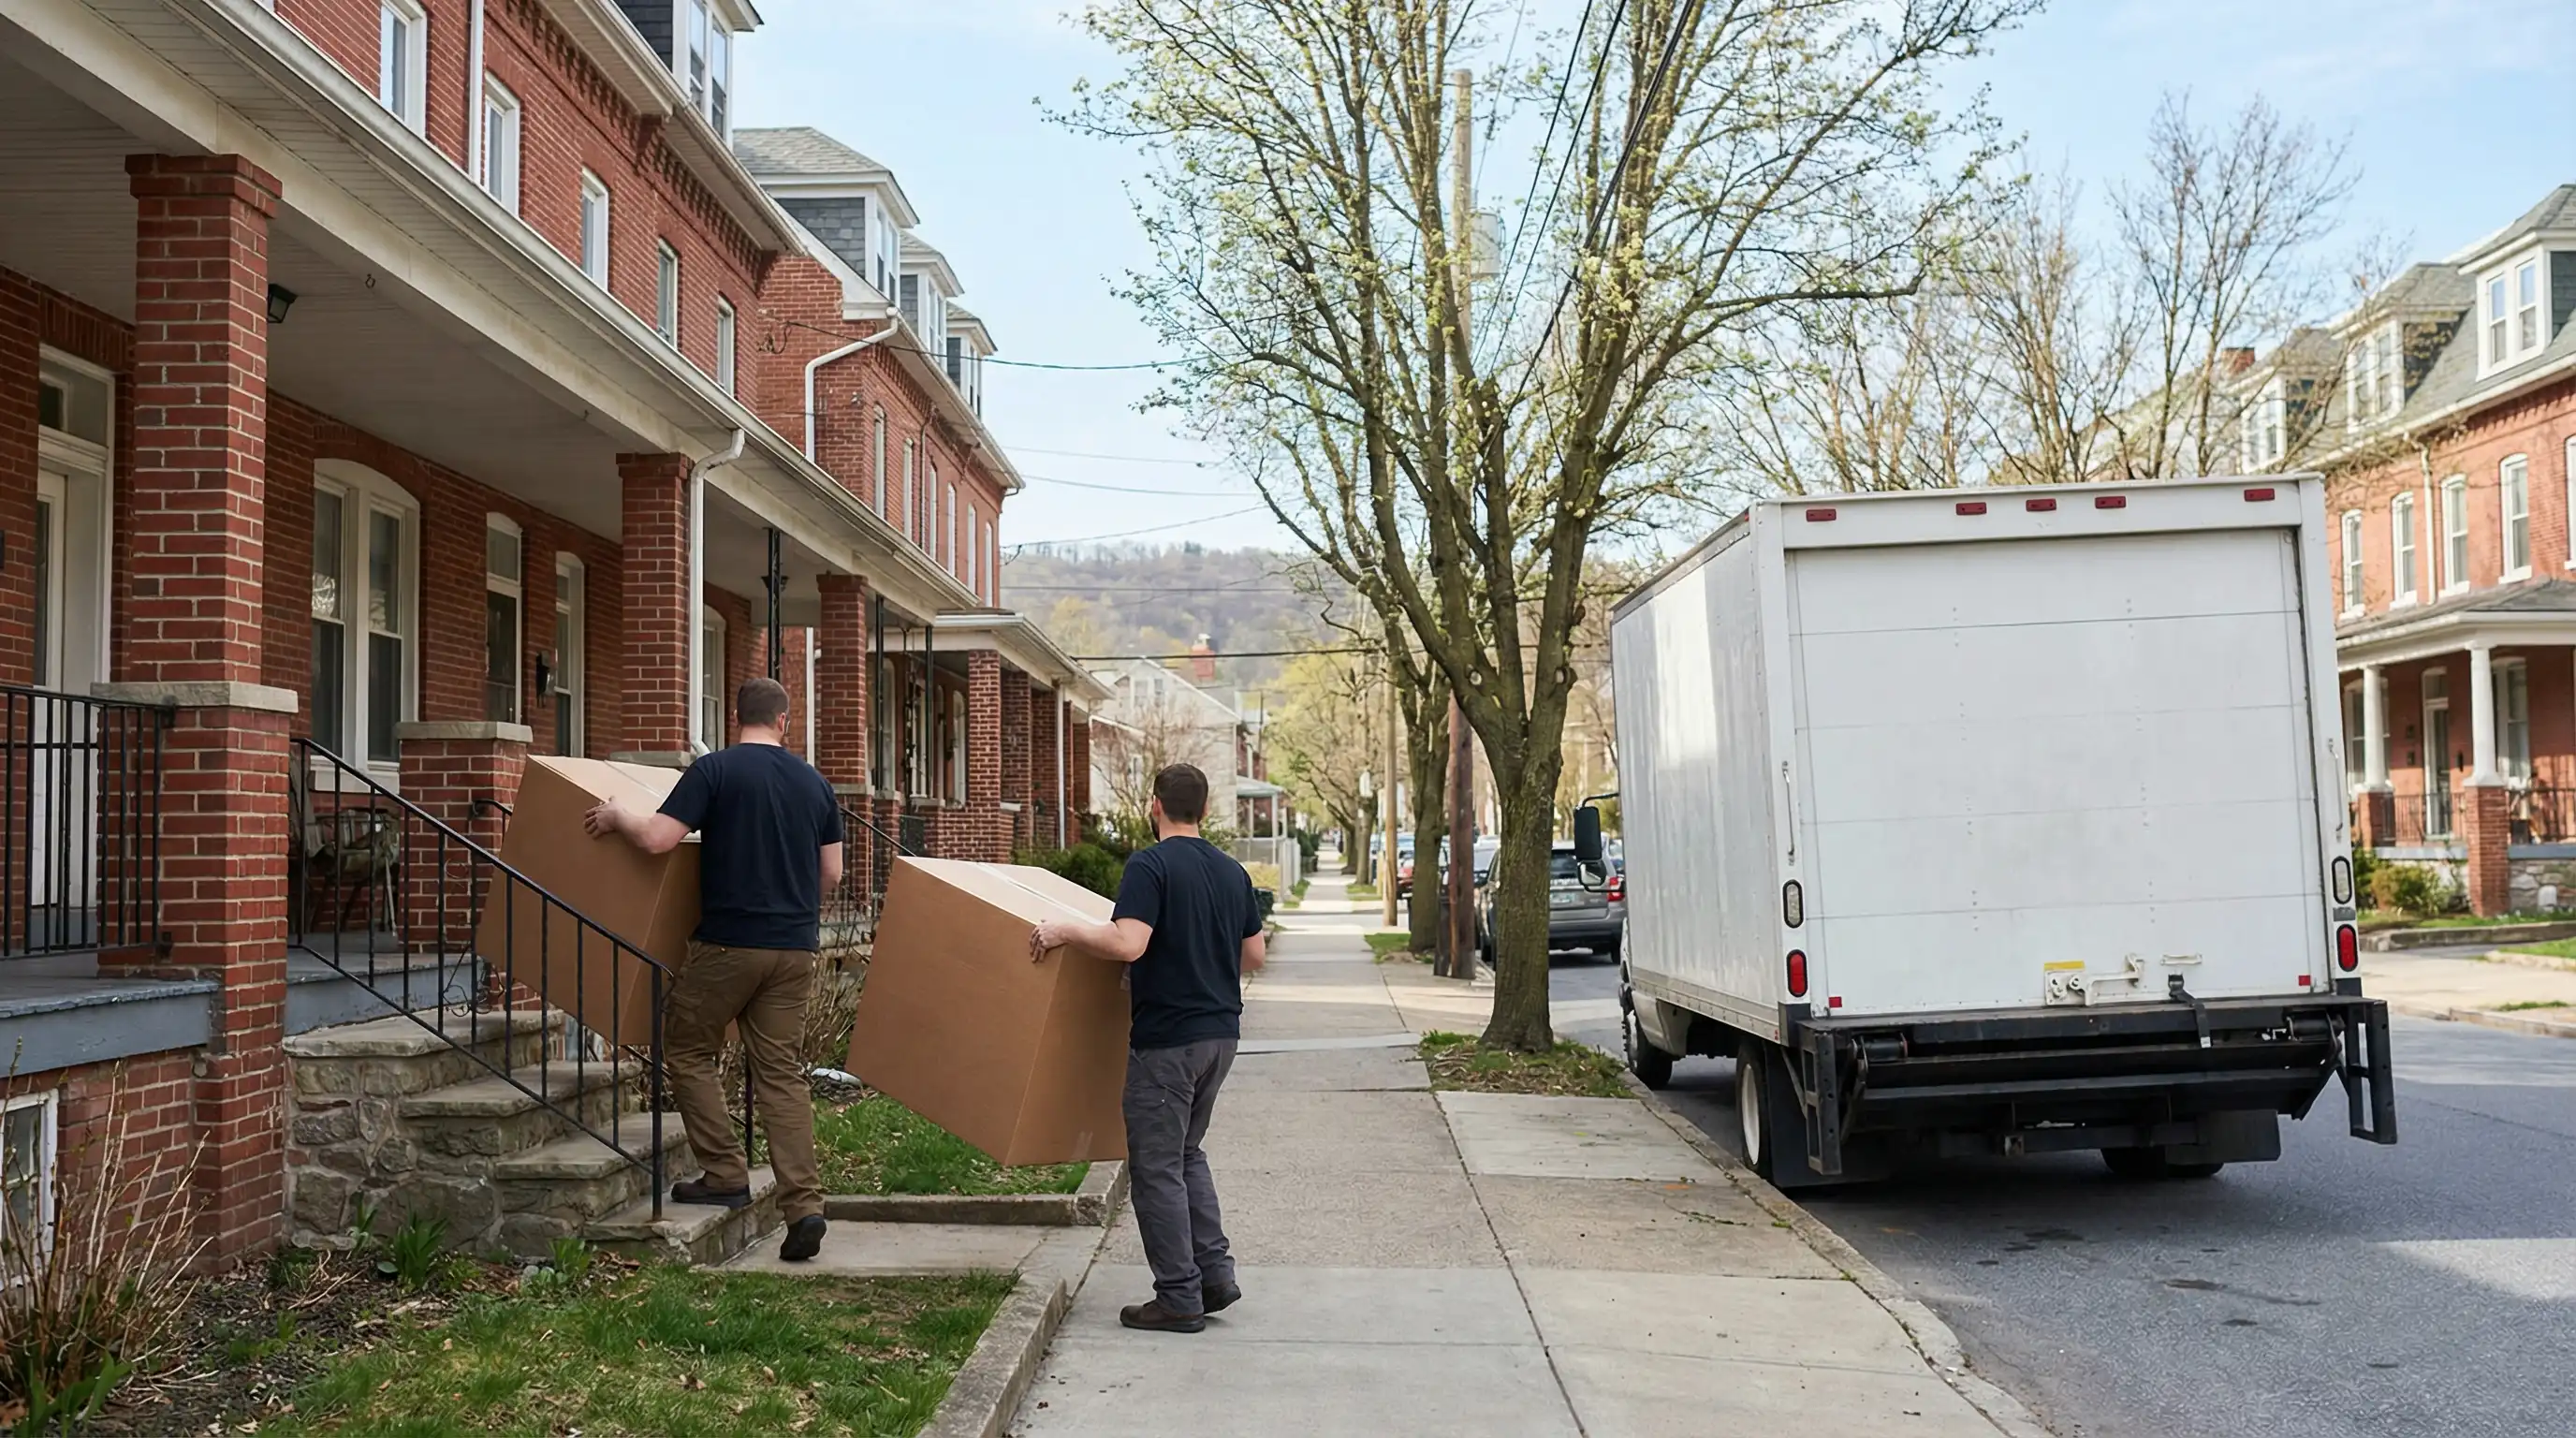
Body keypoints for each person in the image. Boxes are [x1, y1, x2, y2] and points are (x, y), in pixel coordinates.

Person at [583, 676, 843, 1263]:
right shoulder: (815, 783)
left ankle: (725, 1171)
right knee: (780, 1074)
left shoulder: (714, 772)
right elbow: (831, 875)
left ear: (735, 717)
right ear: (784, 721)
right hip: (795, 949)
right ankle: (804, 1206)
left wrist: (617, 816)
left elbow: (657, 839)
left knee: (687, 1047)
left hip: (728, 944)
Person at [1030, 763, 1265, 1333]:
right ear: (1204, 811)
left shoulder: (1150, 864)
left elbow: (1127, 942)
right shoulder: (1231, 871)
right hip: (1220, 1037)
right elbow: (1253, 956)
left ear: (1154, 805)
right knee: (1187, 1154)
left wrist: (1063, 930)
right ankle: (1214, 1276)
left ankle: (1180, 1298)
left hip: (1168, 1043)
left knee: (1158, 1166)